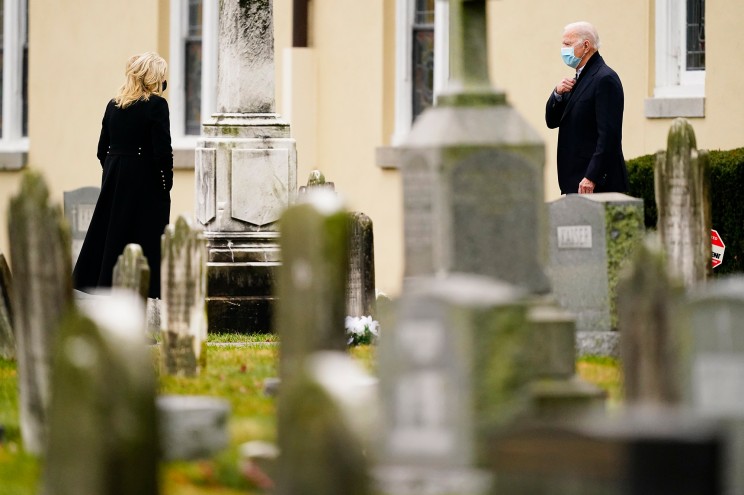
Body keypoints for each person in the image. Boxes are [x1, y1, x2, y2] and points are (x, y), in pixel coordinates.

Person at [73, 52, 173, 299]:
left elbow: (101, 150)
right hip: (145, 183)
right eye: (162, 78)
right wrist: (164, 184)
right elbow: (162, 152)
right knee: (145, 238)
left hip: (114, 179)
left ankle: (109, 292)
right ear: (152, 77)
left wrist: (113, 172)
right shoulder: (157, 106)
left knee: (113, 237)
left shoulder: (113, 105)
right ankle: (142, 298)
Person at [545, 21, 628, 195]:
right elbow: (552, 121)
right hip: (575, 181)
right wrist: (557, 94)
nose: (563, 49)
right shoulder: (577, 79)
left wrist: (592, 176)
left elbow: (609, 136)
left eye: (567, 44)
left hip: (595, 185)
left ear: (586, 46)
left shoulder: (604, 79)